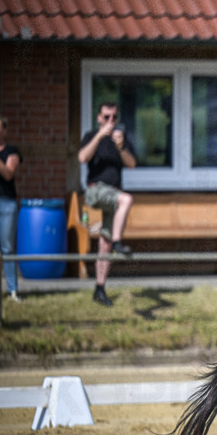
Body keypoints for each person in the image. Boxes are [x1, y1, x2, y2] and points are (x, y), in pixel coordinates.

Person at [78, 102, 136, 306]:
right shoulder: (91, 136)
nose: (110, 121)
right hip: (96, 191)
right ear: (99, 118)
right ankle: (119, 242)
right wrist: (100, 135)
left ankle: (99, 289)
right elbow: (82, 157)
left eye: (114, 118)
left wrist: (120, 147)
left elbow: (131, 164)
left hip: (113, 194)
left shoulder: (120, 139)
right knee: (126, 199)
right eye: (106, 117)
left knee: (105, 243)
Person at [0, 114, 22, 302]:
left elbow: (8, 174)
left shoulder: (11, 151)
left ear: (4, 131)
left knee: (7, 247)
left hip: (7, 203)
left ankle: (12, 291)